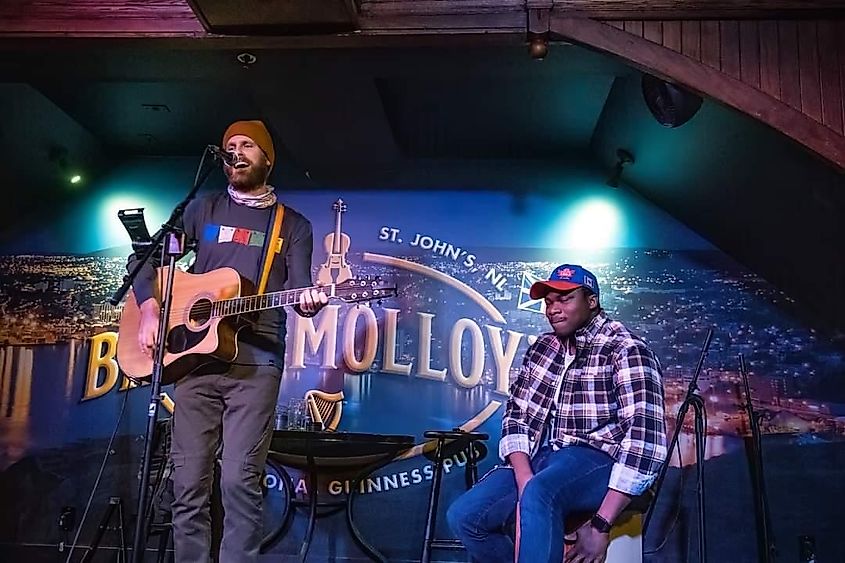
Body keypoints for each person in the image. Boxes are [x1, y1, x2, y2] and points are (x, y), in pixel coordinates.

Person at [128, 120, 327, 563]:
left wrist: (311, 302)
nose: (236, 152)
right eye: (229, 146)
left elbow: (300, 291)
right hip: (194, 362)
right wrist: (148, 309)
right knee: (188, 483)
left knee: (239, 481)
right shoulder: (203, 209)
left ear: (267, 158)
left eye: (247, 146)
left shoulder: (292, 225)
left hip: (256, 363)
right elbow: (146, 257)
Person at [447, 264, 667, 563]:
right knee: (464, 516)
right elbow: (516, 417)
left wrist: (601, 524)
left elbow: (645, 443)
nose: (553, 309)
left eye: (565, 299)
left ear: (591, 302)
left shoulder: (625, 348)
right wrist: (524, 481)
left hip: (599, 458)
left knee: (542, 491)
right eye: (549, 302)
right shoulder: (542, 348)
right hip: (547, 456)